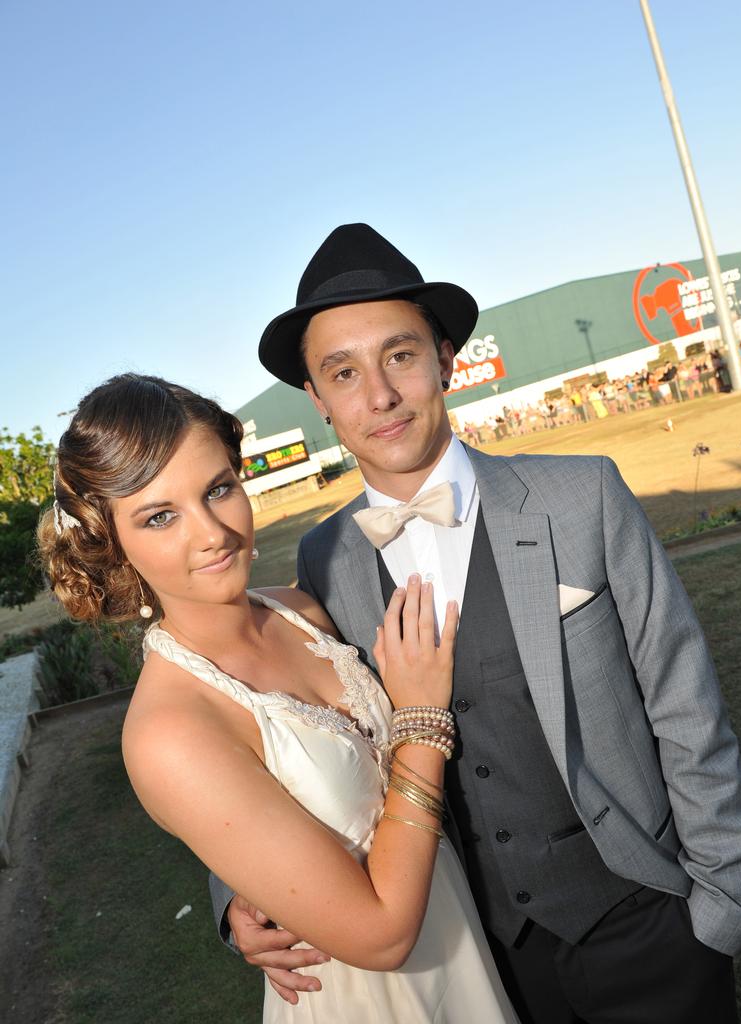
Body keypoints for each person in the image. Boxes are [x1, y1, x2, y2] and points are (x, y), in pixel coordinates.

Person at [214, 223, 741, 1024]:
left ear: (444, 359)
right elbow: (264, 726)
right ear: (320, 401)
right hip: (477, 955)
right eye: (344, 372)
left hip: (648, 925)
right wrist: (235, 890)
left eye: (400, 355)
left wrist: (718, 912)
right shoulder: (324, 560)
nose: (379, 394)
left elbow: (688, 704)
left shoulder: (585, 499)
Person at [37, 374, 517, 1024]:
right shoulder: (167, 733)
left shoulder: (298, 610)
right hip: (373, 996)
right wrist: (420, 720)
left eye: (218, 489)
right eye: (159, 516)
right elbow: (380, 935)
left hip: (462, 934)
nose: (213, 533)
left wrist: (249, 892)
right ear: (111, 542)